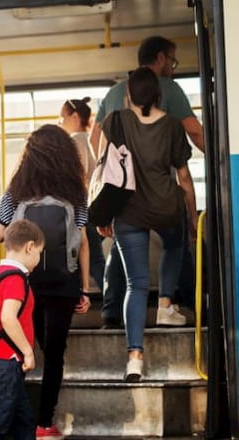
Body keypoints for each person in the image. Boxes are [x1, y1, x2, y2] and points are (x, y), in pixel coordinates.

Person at [89, 35, 203, 328]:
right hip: (161, 193)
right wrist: (222, 160)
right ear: (161, 58)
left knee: (120, 253)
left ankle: (111, 313)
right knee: (177, 244)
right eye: (172, 61)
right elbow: (195, 132)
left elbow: (95, 140)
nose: (173, 68)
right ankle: (191, 305)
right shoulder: (169, 89)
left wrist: (112, 174)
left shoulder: (114, 92)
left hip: (124, 196)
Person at [96, 67, 197, 381]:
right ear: (159, 95)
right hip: (167, 207)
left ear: (128, 94)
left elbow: (103, 168)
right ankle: (167, 304)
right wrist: (192, 217)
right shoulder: (171, 126)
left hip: (129, 211)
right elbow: (183, 177)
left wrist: (102, 214)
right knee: (175, 243)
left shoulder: (115, 122)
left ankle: (135, 358)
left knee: (135, 286)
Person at [0, 125, 91, 439]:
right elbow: (83, 241)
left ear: (30, 156)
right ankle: (44, 423)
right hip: (64, 283)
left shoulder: (16, 193)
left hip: (23, 283)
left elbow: (3, 234)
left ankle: (13, 419)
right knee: (54, 353)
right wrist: (85, 288)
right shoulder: (75, 194)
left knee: (20, 349)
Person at [0, 219, 44, 440]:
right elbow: (7, 318)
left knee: (23, 422)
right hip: (5, 361)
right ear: (30, 247)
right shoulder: (15, 279)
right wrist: (28, 351)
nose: (38, 259)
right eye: (40, 252)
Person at [60, 97, 105, 295]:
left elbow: (78, 177)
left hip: (81, 208)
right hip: (92, 206)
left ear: (75, 116)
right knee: (94, 259)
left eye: (62, 117)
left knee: (92, 259)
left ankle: (112, 306)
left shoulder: (75, 141)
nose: (60, 123)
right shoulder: (89, 141)